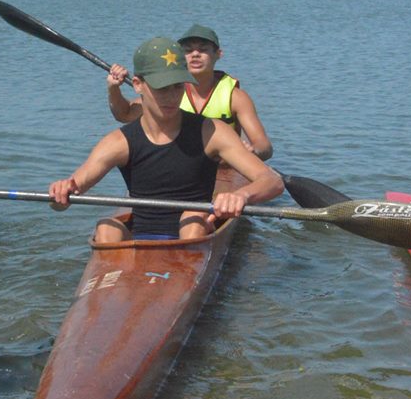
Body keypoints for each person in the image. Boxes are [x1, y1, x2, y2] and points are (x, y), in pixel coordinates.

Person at [50, 37, 283, 243]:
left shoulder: (211, 132)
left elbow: (272, 181)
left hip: (194, 232)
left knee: (192, 221)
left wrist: (242, 195)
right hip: (140, 235)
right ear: (139, 85)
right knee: (105, 228)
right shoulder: (118, 142)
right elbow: (63, 200)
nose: (172, 97)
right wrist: (61, 194)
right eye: (162, 89)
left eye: (178, 87)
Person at [106, 23, 273, 161]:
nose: (195, 55)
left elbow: (264, 147)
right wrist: (114, 88)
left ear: (218, 54)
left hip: (223, 170)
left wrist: (252, 152)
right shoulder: (167, 89)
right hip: (180, 166)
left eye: (203, 49)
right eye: (188, 50)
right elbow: (124, 114)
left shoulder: (235, 97)